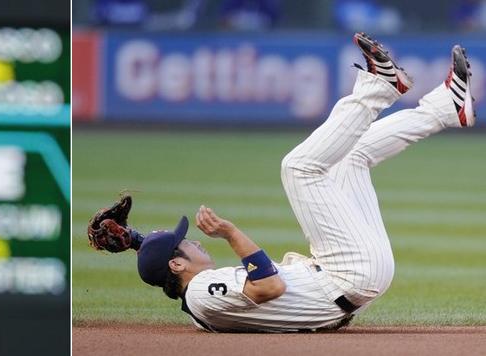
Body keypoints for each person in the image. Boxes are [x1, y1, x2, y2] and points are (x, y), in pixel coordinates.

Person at [129, 32, 474, 332]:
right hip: (348, 275)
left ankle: (445, 107)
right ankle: (381, 86)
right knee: (298, 168)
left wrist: (136, 241)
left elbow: (178, 266)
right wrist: (231, 233)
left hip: (352, 279)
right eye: (183, 242)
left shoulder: (199, 298)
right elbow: (268, 287)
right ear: (176, 264)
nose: (194, 242)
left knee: (349, 159)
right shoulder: (202, 291)